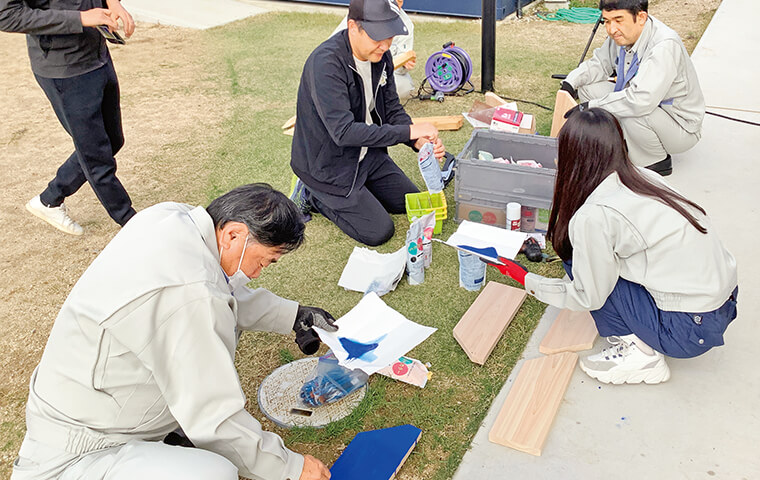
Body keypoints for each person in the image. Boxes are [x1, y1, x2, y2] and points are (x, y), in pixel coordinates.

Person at [11, 184, 334, 480]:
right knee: (213, 473)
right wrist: (289, 467)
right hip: (83, 449)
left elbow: (218, 290)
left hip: (86, 404)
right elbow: (213, 414)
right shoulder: (189, 294)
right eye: (265, 261)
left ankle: (165, 437)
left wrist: (293, 315)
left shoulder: (171, 219)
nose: (257, 272)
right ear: (234, 235)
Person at [495, 109, 738, 385]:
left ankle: (641, 356)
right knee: (591, 259)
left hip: (689, 330)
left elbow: (589, 296)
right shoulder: (643, 177)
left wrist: (525, 278)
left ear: (573, 157)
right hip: (723, 302)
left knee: (576, 262)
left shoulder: (594, 216)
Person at [290, 0, 445, 247]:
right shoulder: (325, 64)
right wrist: (409, 130)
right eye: (377, 38)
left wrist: (417, 141)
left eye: (390, 37)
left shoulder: (381, 56)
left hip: (367, 155)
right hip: (329, 167)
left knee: (409, 201)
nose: (385, 45)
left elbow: (392, 108)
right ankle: (312, 194)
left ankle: (360, 193)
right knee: (380, 231)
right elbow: (344, 132)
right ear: (353, 27)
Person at [0, 0, 137, 235]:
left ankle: (49, 199)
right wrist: (81, 19)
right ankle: (134, 224)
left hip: (96, 54)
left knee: (113, 140)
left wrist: (113, 3)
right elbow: (7, 15)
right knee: (96, 157)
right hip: (64, 69)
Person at [559, 0, 705, 176]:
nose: (611, 29)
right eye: (607, 21)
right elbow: (599, 64)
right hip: (648, 107)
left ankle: (655, 160)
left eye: (618, 20)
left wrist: (589, 107)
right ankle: (619, 142)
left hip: (680, 126)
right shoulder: (622, 35)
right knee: (587, 89)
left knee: (633, 112)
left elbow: (640, 100)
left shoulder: (664, 46)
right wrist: (569, 83)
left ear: (641, 17)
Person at [331, 0, 417, 99]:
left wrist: (404, 66)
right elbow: (334, 47)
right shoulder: (363, 12)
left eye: (400, 1)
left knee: (405, 86)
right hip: (352, 70)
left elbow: (397, 69)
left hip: (383, 72)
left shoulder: (406, 24)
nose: (385, 47)